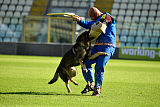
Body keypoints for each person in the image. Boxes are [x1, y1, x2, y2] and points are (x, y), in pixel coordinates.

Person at [72, 7, 116, 96]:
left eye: (93, 17)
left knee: (99, 66)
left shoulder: (107, 16)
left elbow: (101, 22)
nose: (92, 19)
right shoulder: (94, 21)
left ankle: (98, 87)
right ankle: (90, 83)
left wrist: (99, 22)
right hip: (96, 47)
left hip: (107, 46)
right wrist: (79, 20)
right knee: (84, 62)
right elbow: (89, 24)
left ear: (96, 15)